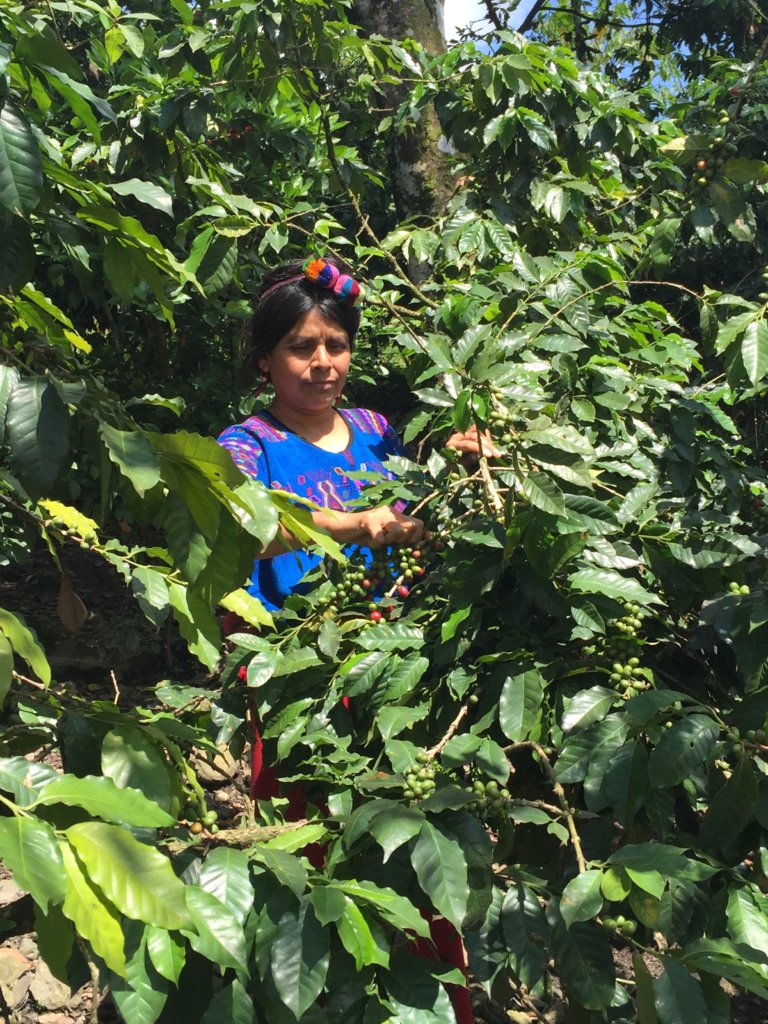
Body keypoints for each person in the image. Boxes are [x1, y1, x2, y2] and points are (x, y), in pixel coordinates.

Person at [217, 256, 485, 1024]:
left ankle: (433, 1002)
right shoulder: (246, 445)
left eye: (335, 345)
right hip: (304, 680)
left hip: (399, 672)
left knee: (416, 843)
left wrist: (459, 462)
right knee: (322, 857)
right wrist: (351, 524)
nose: (323, 363)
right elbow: (243, 527)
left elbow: (421, 496)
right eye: (302, 347)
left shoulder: (375, 429)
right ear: (265, 358)